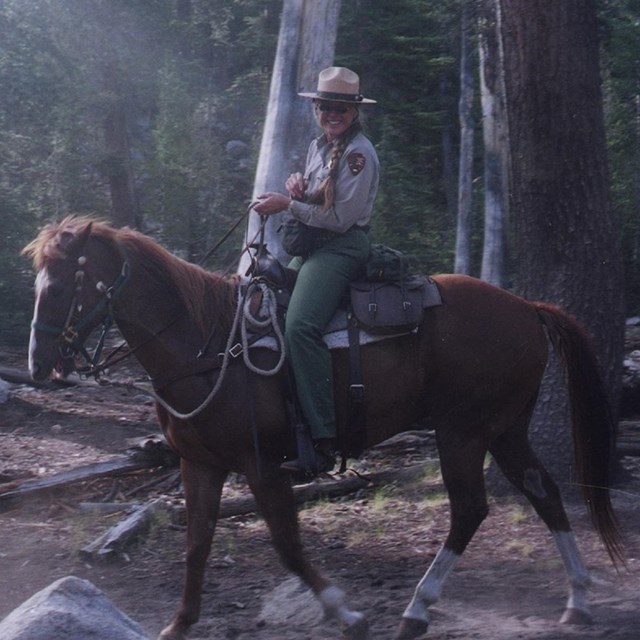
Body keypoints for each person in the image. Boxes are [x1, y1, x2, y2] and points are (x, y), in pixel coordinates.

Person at [253, 66, 379, 476]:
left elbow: (341, 218)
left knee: (300, 327)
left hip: (342, 247)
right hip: (314, 246)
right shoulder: (318, 147)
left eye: (340, 108)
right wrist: (297, 189)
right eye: (326, 107)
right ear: (318, 110)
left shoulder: (360, 154)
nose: (332, 114)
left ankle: (325, 438)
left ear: (353, 111)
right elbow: (318, 201)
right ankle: (285, 420)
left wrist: (287, 205)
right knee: (268, 307)